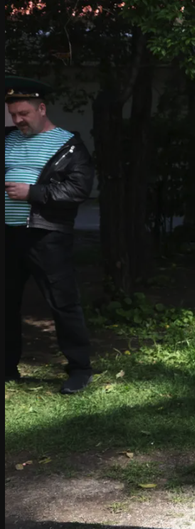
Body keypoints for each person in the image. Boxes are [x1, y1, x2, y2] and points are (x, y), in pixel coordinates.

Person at [5, 75, 96, 394]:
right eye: (13, 114)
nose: (18, 120)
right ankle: (6, 368)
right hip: (7, 236)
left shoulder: (69, 144)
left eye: (24, 114)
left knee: (63, 303)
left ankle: (79, 369)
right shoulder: (7, 138)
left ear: (41, 108)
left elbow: (78, 188)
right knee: (5, 303)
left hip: (47, 237)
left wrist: (33, 192)